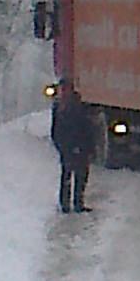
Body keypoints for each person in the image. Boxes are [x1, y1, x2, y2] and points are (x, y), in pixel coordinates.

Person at [51, 85, 96, 213]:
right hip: (75, 147)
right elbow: (87, 129)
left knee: (72, 175)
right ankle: (74, 203)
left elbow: (57, 131)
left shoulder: (63, 107)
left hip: (75, 147)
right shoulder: (77, 107)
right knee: (76, 175)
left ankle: (69, 204)